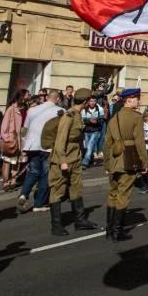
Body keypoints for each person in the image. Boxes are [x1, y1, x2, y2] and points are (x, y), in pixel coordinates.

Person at [48, 92, 99, 236]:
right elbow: (60, 141)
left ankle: (80, 221)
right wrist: (62, 161)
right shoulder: (68, 116)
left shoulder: (78, 114)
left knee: (76, 188)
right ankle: (56, 225)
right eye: (89, 100)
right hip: (63, 159)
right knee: (57, 190)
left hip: (75, 158)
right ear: (85, 101)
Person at [104, 88, 148, 242]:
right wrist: (144, 163)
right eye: (137, 98)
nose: (139, 101)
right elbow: (140, 142)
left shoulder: (113, 117)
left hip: (114, 159)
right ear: (129, 100)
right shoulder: (136, 117)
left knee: (113, 193)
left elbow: (107, 143)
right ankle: (117, 231)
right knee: (123, 194)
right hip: (129, 158)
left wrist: (107, 165)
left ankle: (109, 230)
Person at [19, 89, 61, 213]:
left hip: (32, 145)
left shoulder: (32, 110)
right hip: (47, 147)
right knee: (45, 175)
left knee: (33, 172)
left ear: (47, 97)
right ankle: (39, 203)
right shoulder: (60, 111)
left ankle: (23, 194)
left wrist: (23, 145)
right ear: (57, 99)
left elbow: (24, 129)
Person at [0, 89, 26, 192]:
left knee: (17, 161)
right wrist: (7, 138)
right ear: (21, 97)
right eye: (26, 95)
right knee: (7, 161)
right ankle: (6, 182)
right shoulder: (11, 109)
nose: (28, 97)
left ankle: (13, 181)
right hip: (12, 139)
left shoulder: (25, 108)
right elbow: (4, 125)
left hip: (21, 139)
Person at [80, 92, 105, 169]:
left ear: (96, 102)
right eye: (91, 101)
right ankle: (90, 160)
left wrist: (96, 121)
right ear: (88, 102)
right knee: (87, 147)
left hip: (96, 130)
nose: (92, 103)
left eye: (94, 101)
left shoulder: (100, 109)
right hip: (87, 131)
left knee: (90, 146)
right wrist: (89, 121)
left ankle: (85, 162)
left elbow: (102, 120)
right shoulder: (84, 109)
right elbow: (83, 120)